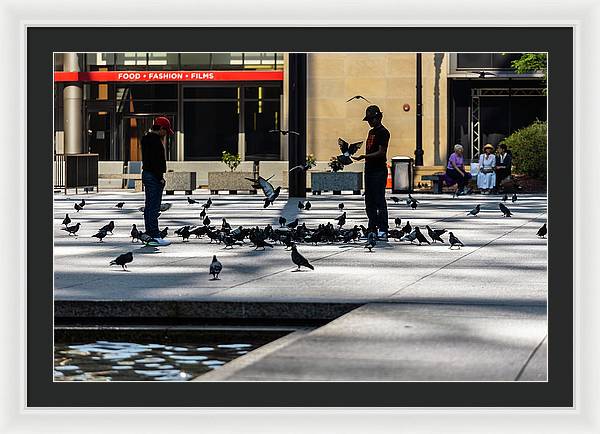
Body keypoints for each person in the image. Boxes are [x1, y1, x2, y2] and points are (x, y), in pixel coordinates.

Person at [352, 105, 390, 239]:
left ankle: (383, 229)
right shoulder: (371, 132)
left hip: (379, 170)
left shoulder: (383, 132)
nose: (370, 122)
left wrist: (364, 157)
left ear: (379, 117)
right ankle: (372, 227)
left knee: (379, 199)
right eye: (368, 120)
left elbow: (381, 152)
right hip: (369, 169)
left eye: (372, 119)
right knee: (369, 201)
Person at [141, 116, 173, 247]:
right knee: (154, 206)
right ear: (160, 128)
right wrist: (160, 177)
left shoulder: (146, 138)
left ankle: (150, 234)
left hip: (147, 174)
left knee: (149, 206)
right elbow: (155, 161)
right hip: (153, 176)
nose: (166, 134)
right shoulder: (155, 141)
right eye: (165, 131)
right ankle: (154, 235)